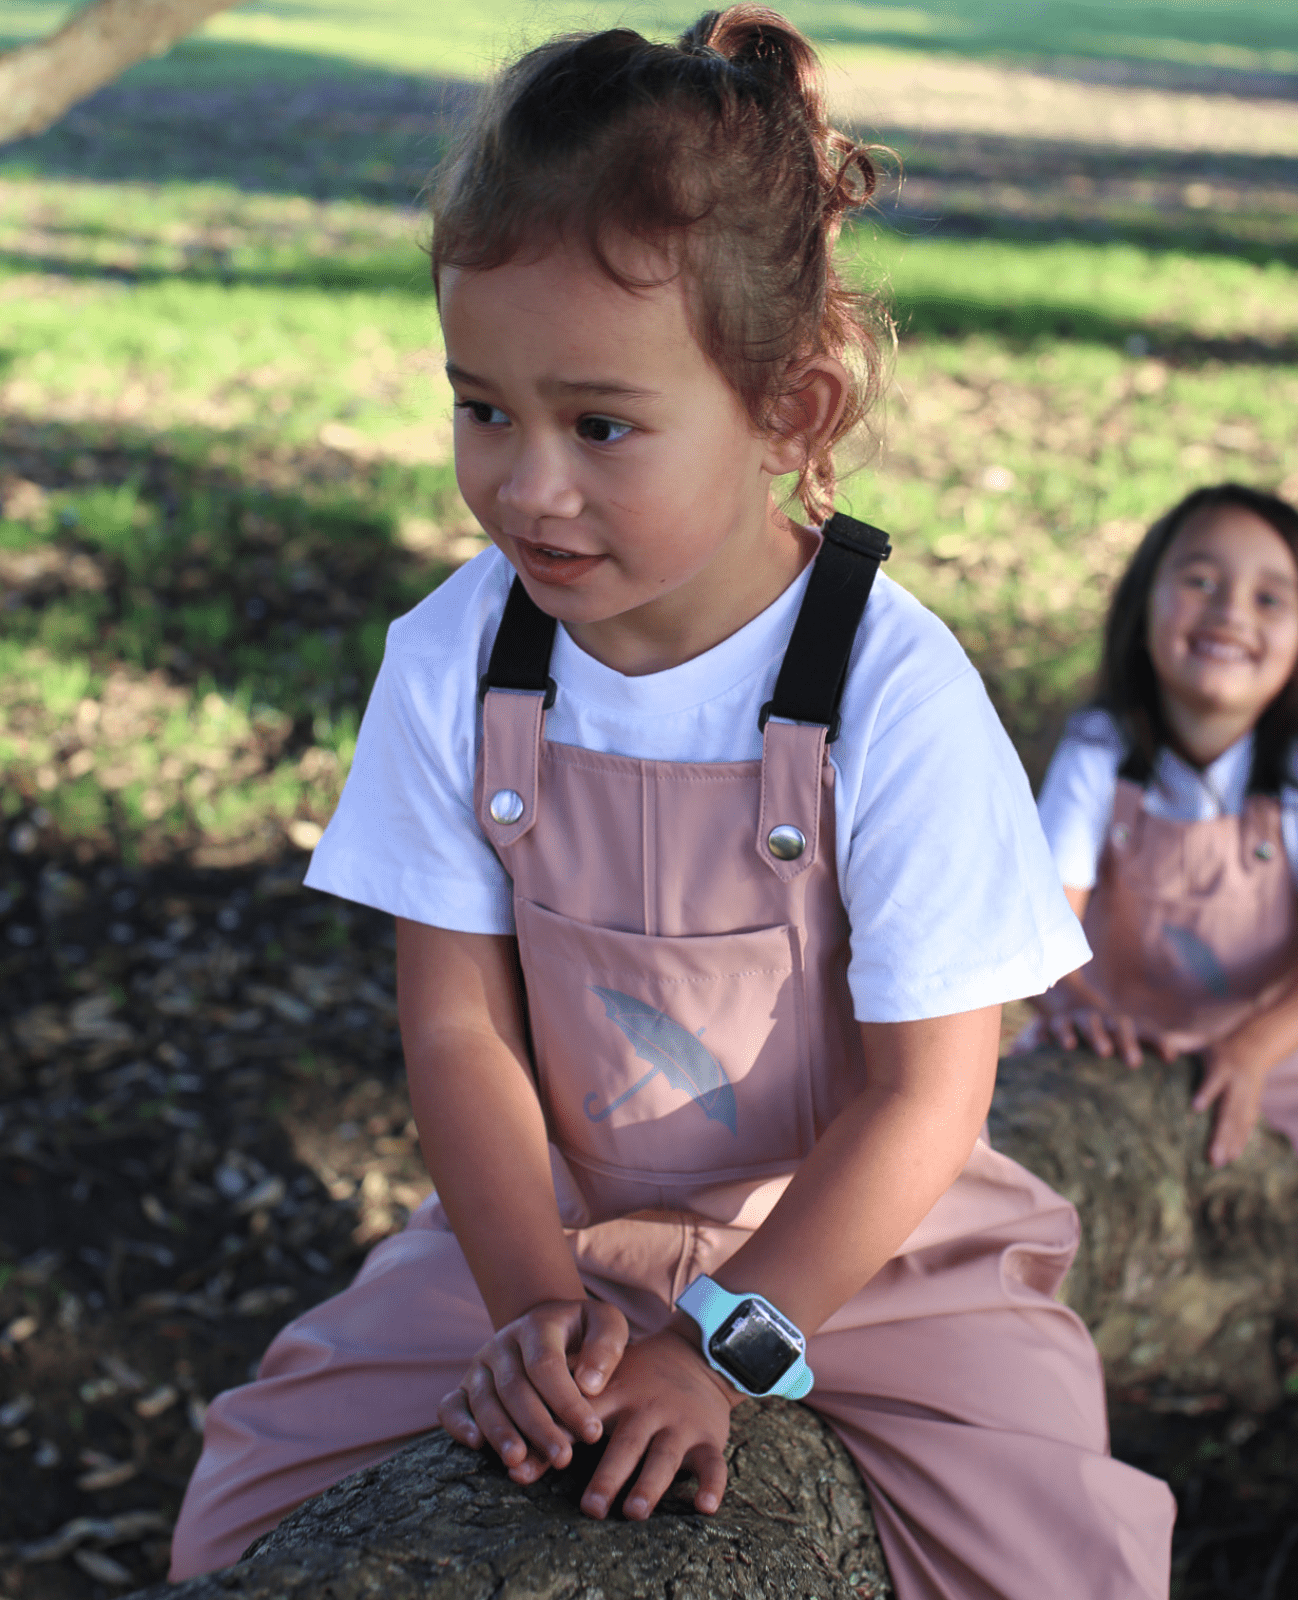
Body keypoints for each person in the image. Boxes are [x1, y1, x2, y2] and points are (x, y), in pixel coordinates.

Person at [167, 10, 1175, 1595]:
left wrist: (721, 1349)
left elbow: (927, 1100)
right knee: (246, 1508)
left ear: (792, 411)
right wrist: (528, 1307)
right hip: (551, 1225)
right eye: (482, 408)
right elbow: (457, 1029)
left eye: (601, 425)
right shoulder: (452, 660)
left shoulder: (893, 691)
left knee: (1060, 1557)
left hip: (866, 1254)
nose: (528, 487)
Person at [1022, 482, 1298, 1594]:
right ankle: (1038, 1489)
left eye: (1268, 595)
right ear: (1145, 601)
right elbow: (1046, 916)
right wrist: (1067, 997)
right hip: (1121, 1042)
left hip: (1287, 1049)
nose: (1228, 612)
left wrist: (1253, 1050)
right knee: (1017, 1214)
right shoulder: (1105, 745)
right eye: (1199, 579)